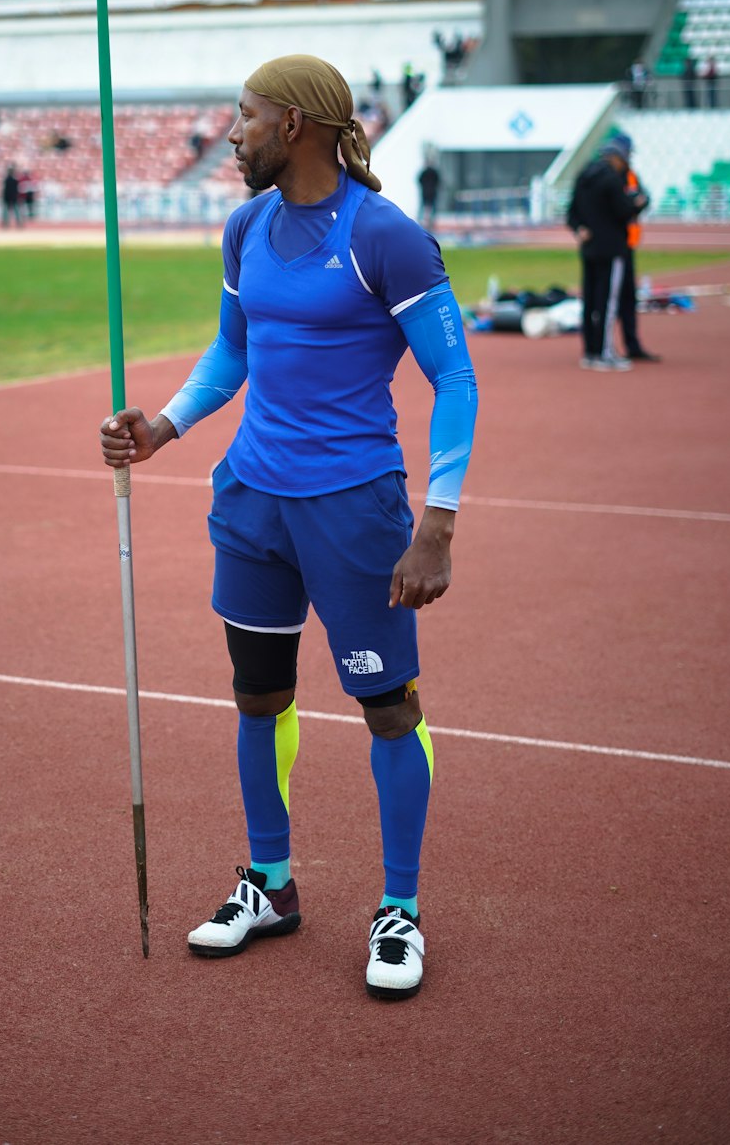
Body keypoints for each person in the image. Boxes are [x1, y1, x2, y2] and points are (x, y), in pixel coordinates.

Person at [99, 54, 478, 1000]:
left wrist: (437, 522)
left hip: (354, 510)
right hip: (252, 502)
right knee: (257, 695)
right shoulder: (246, 227)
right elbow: (234, 350)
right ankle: (270, 884)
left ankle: (400, 908)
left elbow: (455, 378)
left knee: (388, 708)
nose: (231, 134)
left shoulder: (385, 238)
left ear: (296, 126)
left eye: (245, 116)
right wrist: (163, 427)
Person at [566, 132, 649, 371]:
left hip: (589, 247)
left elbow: (571, 212)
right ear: (618, 156)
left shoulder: (584, 175)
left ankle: (591, 351)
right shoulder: (612, 179)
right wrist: (637, 204)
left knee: (591, 300)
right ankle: (605, 353)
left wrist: (580, 228)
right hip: (612, 248)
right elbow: (623, 211)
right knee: (608, 302)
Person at [618, 164, 660, 362]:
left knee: (628, 297)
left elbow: (644, 198)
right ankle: (600, 348)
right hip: (612, 245)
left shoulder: (632, 176)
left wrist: (638, 204)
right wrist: (633, 204)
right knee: (609, 300)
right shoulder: (608, 178)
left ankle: (632, 344)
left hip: (628, 243)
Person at [417, 160, 440, 229]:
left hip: (426, 192)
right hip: (430, 192)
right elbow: (438, 181)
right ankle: (430, 222)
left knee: (425, 207)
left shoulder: (425, 172)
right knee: (430, 208)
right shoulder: (433, 172)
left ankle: (423, 221)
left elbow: (419, 180)